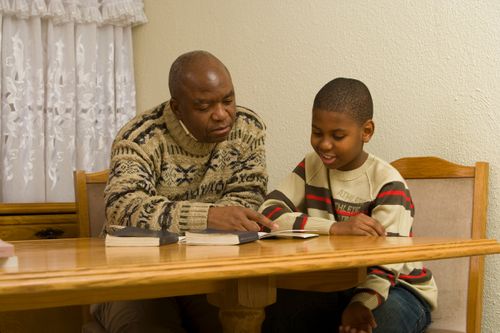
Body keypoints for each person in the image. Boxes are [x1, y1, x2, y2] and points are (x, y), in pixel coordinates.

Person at [92, 50, 277, 333]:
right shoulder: (139, 136)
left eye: (228, 101)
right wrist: (208, 216)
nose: (221, 115)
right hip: (133, 272)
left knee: (245, 319)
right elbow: (123, 208)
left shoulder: (248, 128)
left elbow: (247, 198)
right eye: (204, 107)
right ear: (177, 108)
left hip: (208, 270)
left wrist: (218, 220)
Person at [259, 78, 437, 333]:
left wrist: (360, 303)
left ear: (366, 131)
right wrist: (334, 228)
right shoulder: (311, 166)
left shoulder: (388, 183)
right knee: (279, 309)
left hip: (399, 287)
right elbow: (269, 214)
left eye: (338, 136)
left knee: (376, 326)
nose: (324, 144)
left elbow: (389, 263)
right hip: (334, 286)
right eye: (317, 132)